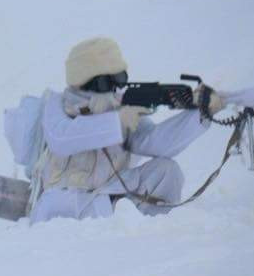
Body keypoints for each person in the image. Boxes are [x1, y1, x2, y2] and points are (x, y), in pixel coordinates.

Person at [31, 37, 221, 223]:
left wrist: (201, 113)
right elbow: (62, 138)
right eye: (109, 81)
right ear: (89, 81)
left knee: (167, 170)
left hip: (110, 198)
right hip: (64, 205)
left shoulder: (119, 107)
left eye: (120, 80)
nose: (116, 88)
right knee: (82, 208)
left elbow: (156, 143)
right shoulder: (56, 105)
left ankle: (157, 234)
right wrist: (117, 122)